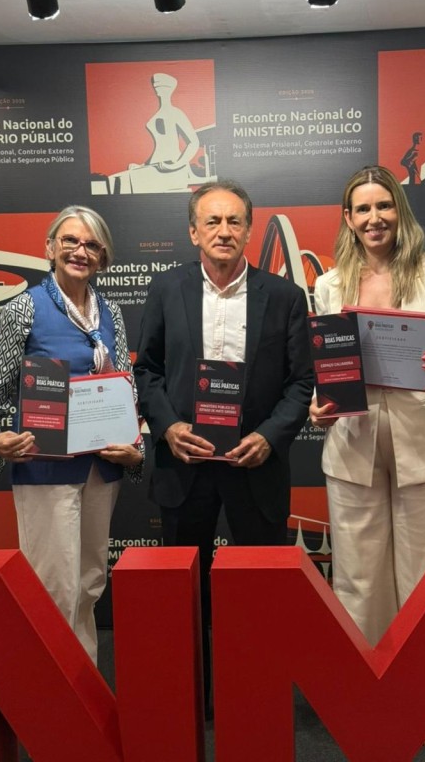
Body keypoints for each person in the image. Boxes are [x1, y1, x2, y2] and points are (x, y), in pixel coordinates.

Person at [309, 166, 425, 756]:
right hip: (353, 443)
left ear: (399, 210)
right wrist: (319, 407)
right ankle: (367, 697)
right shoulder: (330, 285)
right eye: (362, 209)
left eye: (384, 206)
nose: (374, 218)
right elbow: (329, 366)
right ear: (348, 219)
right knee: (358, 580)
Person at [134, 178, 313, 715]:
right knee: (186, 593)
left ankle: (257, 699)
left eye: (235, 221)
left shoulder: (284, 296)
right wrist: (167, 427)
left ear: (250, 230)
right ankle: (192, 699)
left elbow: (301, 382)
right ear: (193, 231)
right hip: (184, 463)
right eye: (212, 221)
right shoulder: (167, 288)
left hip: (254, 465)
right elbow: (147, 371)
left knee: (260, 591)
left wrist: (269, 436)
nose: (224, 230)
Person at [0, 205, 144, 664]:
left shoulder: (111, 312)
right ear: (50, 248)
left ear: (103, 257)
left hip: (101, 469)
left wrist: (136, 446)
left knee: (89, 584)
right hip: (45, 469)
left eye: (91, 245)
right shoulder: (24, 309)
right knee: (53, 588)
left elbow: (125, 387)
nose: (80, 251)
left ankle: (82, 686)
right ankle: (49, 691)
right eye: (70, 241)